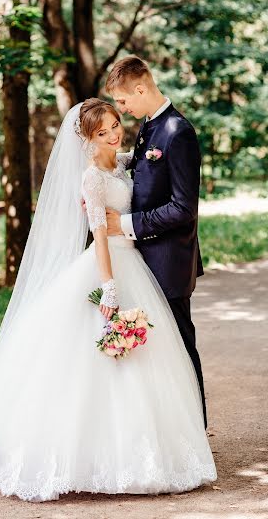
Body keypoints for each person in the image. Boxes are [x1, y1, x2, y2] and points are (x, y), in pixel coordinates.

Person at [0, 98, 217, 502]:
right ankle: (82, 458)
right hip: (108, 264)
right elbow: (98, 237)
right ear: (86, 138)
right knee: (92, 363)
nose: (114, 133)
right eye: (103, 132)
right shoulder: (92, 177)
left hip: (138, 264)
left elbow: (139, 164)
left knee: (146, 361)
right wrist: (108, 286)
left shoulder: (120, 161)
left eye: (115, 124)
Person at [104, 56, 208, 428]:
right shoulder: (149, 125)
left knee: (181, 346)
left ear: (140, 88)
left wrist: (127, 224)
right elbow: (146, 175)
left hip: (170, 262)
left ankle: (196, 428)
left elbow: (183, 208)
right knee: (159, 354)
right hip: (144, 259)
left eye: (122, 100)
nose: (122, 108)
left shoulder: (179, 132)